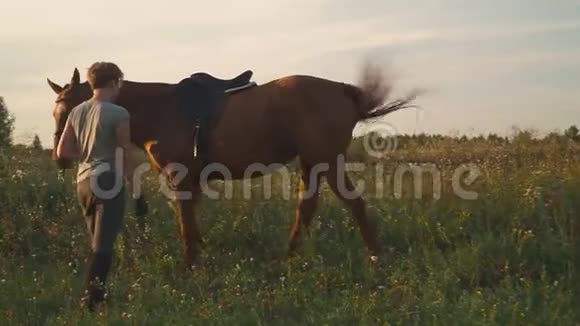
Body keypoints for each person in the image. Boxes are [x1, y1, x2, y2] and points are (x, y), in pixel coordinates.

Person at [56, 62, 147, 311]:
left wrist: (87, 155)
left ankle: (99, 294)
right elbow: (124, 153)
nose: (119, 88)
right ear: (113, 83)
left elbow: (63, 151)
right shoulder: (118, 114)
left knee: (97, 243)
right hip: (108, 181)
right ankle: (91, 303)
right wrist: (136, 190)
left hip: (83, 183)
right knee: (103, 247)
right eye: (119, 84)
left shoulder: (76, 112)